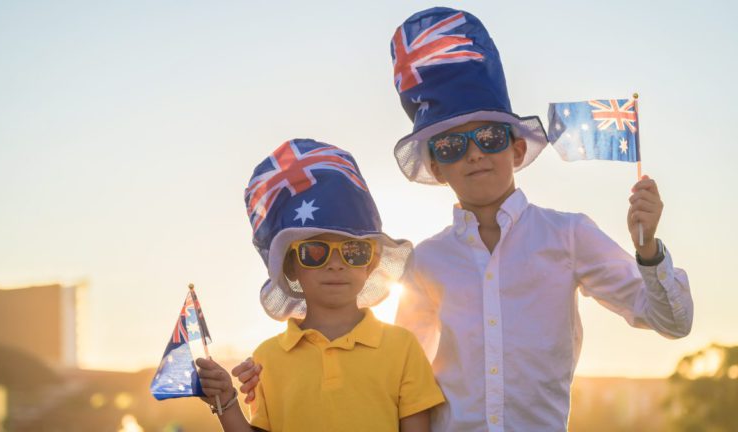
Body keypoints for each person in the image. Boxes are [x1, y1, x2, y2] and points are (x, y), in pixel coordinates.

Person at [235, 7, 694, 431]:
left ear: (516, 149)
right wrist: (275, 373)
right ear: (437, 167)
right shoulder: (429, 261)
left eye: (490, 137)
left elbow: (673, 321)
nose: (474, 154)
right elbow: (394, 371)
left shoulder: (569, 235)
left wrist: (649, 249)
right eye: (453, 146)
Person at [196, 138, 444, 431]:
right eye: (315, 252)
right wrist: (226, 400)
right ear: (291, 267)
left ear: (371, 263)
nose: (336, 264)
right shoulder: (267, 358)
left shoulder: (402, 348)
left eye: (354, 251)